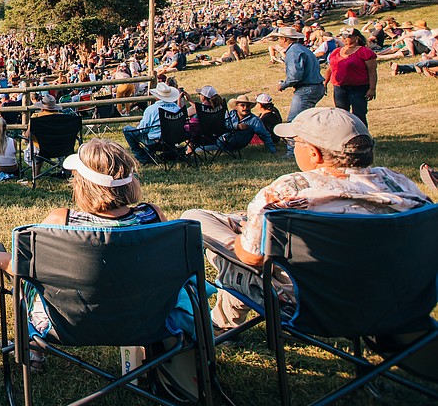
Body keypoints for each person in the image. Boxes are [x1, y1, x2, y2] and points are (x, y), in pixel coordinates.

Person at [181, 108, 429, 330]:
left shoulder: (288, 190)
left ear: (313, 153)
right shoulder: (401, 185)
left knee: (201, 224)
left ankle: (223, 323)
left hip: (309, 306)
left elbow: (251, 257)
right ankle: (223, 319)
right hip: (393, 300)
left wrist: (241, 240)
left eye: (294, 142)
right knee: (246, 233)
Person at [0, 140, 164, 347]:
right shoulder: (152, 216)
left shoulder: (62, 221)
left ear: (84, 184)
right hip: (145, 320)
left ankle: (33, 351)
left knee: (32, 279)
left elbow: (20, 266)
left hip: (68, 325)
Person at [272, 26, 325, 158]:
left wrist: (283, 85)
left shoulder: (293, 52)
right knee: (306, 119)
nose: (278, 40)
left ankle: (293, 151)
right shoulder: (302, 49)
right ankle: (310, 146)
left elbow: (295, 75)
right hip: (315, 86)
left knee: (294, 121)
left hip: (306, 88)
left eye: (279, 38)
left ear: (284, 39)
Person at [325, 27, 377, 124]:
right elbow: (330, 68)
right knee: (341, 114)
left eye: (346, 37)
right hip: (339, 87)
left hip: (359, 87)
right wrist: (325, 82)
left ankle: (362, 136)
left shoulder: (364, 52)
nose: (343, 39)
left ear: (355, 38)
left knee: (359, 114)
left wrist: (372, 88)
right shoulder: (336, 52)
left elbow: (372, 71)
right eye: (342, 37)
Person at [123, 83, 183, 165]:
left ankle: (142, 156)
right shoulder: (176, 107)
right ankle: (168, 153)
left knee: (127, 129)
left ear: (157, 96)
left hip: (155, 142)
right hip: (174, 139)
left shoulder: (152, 109)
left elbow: (142, 130)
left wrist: (139, 126)